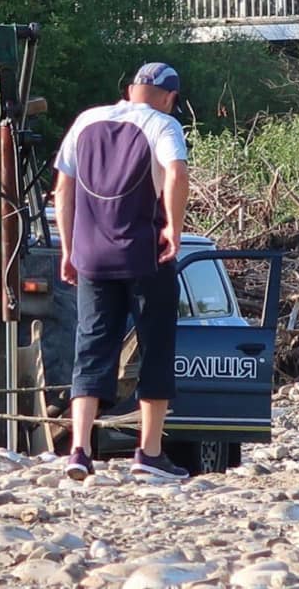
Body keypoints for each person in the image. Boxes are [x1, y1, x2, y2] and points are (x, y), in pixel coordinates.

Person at [53, 62, 190, 480]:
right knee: (156, 345)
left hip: (91, 255)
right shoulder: (163, 125)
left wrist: (69, 248)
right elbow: (177, 173)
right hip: (143, 255)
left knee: (91, 345)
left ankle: (79, 449)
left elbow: (63, 188)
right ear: (169, 97)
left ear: (130, 89)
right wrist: (173, 226)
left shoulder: (86, 120)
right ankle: (148, 454)